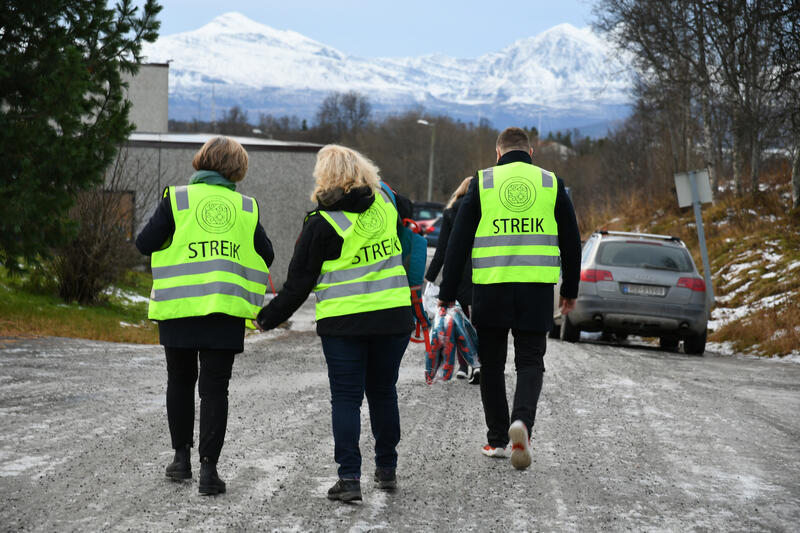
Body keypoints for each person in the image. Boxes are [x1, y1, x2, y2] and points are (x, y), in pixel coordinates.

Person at [255, 144, 414, 502]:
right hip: (393, 318)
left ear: (324, 177)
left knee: (346, 398)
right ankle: (387, 468)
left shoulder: (321, 224)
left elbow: (298, 285)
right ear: (362, 172)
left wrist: (267, 319)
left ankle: (350, 479)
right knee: (383, 391)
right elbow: (407, 205)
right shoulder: (388, 206)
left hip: (345, 325)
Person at [136, 136, 274, 495]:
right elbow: (268, 254)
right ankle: (209, 472)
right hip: (224, 312)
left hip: (179, 309)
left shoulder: (176, 199)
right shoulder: (246, 208)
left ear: (201, 161)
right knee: (215, 391)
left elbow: (144, 243)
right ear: (237, 169)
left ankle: (180, 461)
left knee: (180, 381)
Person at [438, 127, 580, 470]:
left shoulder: (482, 182)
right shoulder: (551, 183)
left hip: (491, 289)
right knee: (531, 361)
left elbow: (457, 242)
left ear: (498, 154)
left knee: (492, 366)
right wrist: (570, 291)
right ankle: (523, 424)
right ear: (530, 153)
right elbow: (572, 240)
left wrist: (446, 295)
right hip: (536, 290)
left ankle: (498, 439)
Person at [424, 177, 478, 383]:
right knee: (478, 320)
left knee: (459, 320)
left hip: (458, 273)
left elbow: (443, 250)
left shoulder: (450, 212)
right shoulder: (484, 210)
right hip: (482, 269)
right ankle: (478, 364)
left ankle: (463, 366)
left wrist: (430, 278)